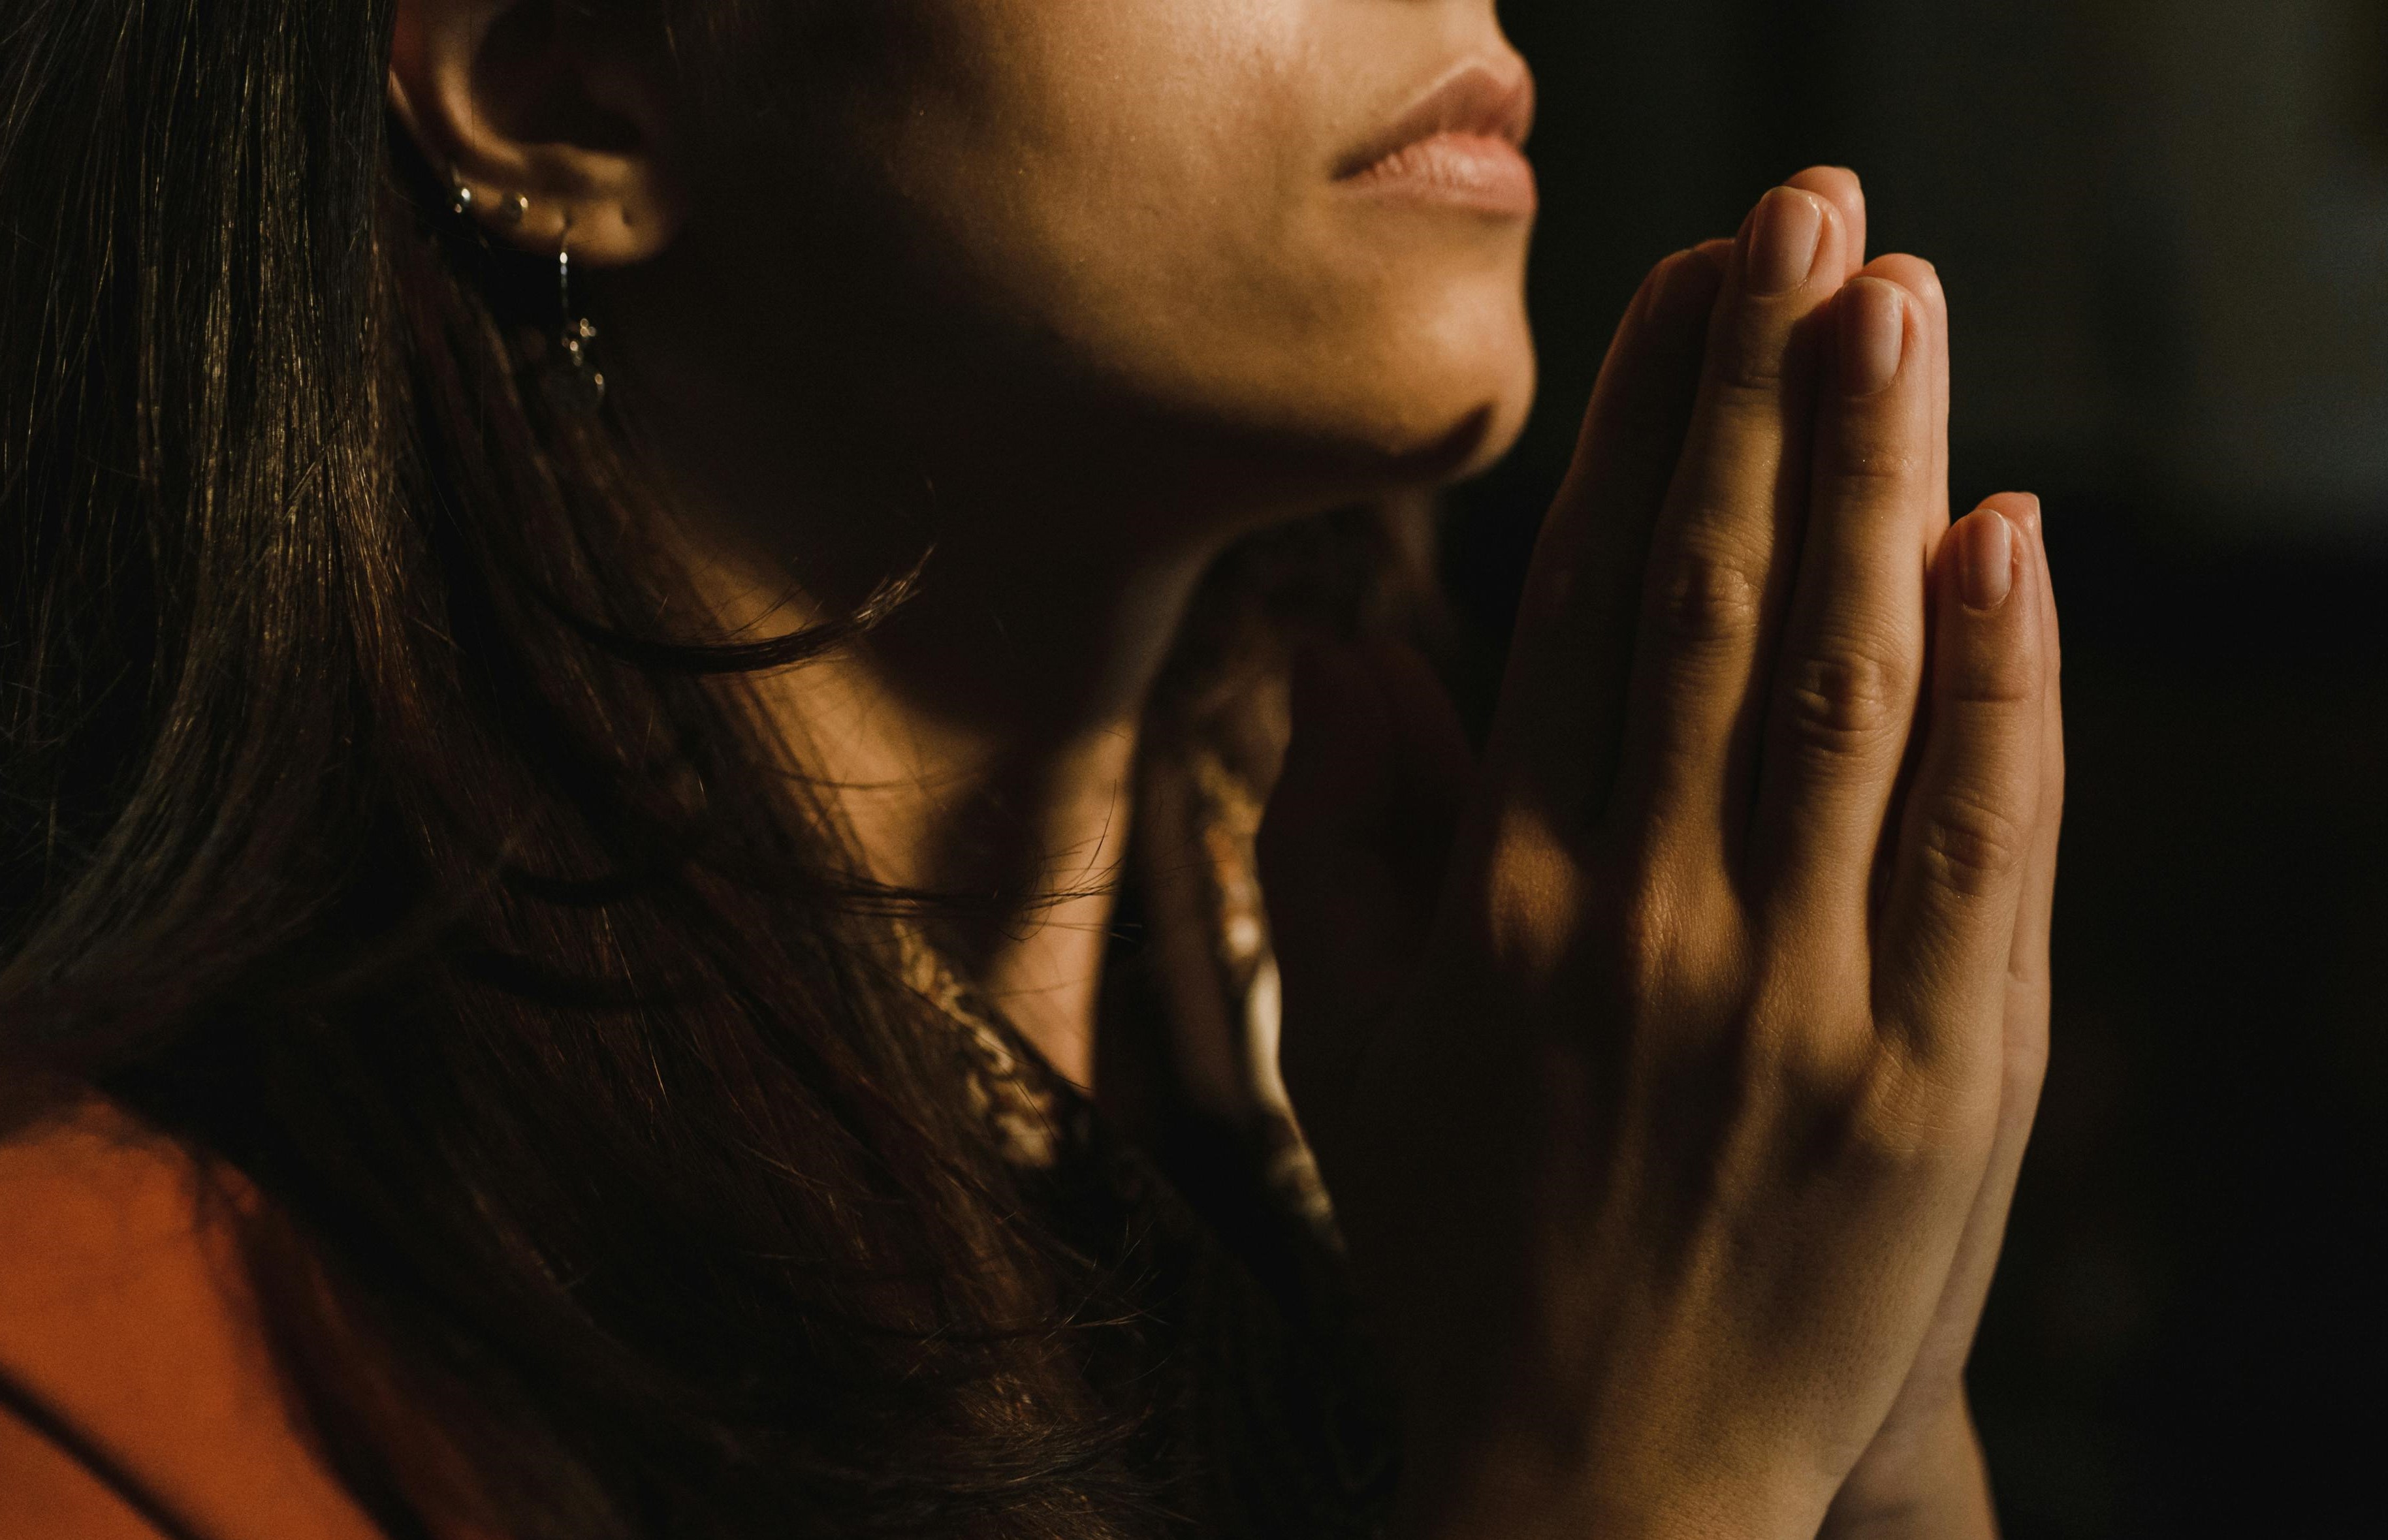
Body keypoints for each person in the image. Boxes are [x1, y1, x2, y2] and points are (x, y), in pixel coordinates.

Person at [0, 0, 2063, 1535]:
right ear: (559, 84)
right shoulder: (106, 1367)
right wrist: (1634, 1471)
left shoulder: (1470, 1112)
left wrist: (1863, 1422)